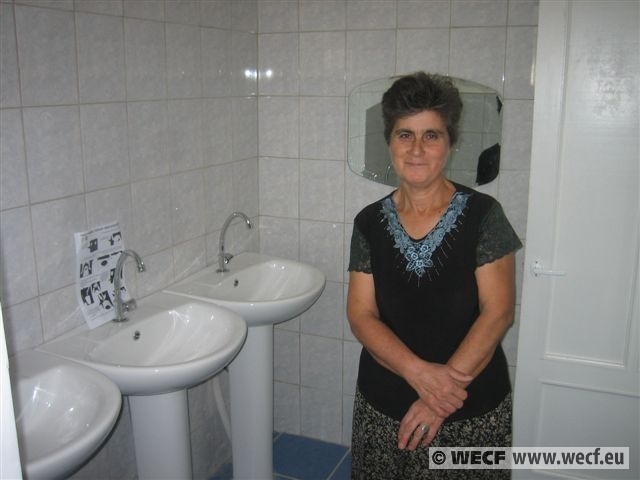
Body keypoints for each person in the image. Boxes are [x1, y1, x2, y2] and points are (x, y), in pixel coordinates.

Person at [347, 72, 522, 479]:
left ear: (450, 142)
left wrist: (436, 400)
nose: (417, 150)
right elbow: (361, 314)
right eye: (405, 134)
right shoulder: (369, 222)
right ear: (389, 141)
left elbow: (498, 312)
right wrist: (419, 374)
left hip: (469, 407)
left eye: (432, 135)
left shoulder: (484, 215)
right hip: (383, 404)